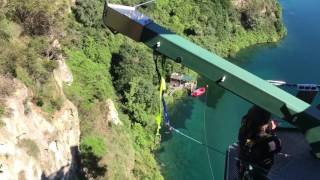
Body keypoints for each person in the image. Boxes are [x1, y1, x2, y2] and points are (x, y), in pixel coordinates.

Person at [238, 105, 282, 180]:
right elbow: (278, 147)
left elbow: (252, 138)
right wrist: (272, 132)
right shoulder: (269, 140)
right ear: (265, 122)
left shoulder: (243, 129)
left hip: (245, 159)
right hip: (260, 168)